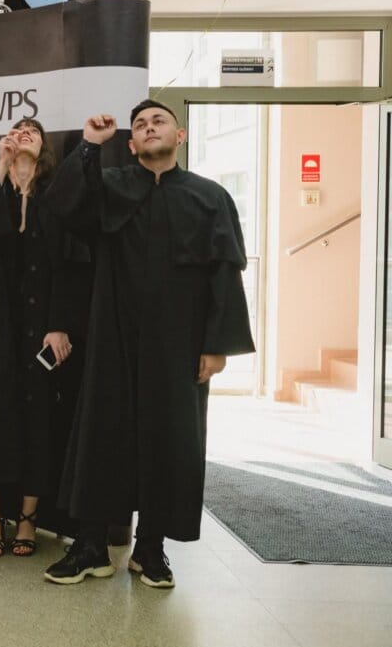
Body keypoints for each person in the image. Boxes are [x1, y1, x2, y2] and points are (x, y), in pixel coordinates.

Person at [42, 100, 254, 588]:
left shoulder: (211, 197)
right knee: (103, 434)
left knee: (170, 441)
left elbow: (225, 274)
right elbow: (64, 205)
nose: (148, 127)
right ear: (131, 143)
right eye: (139, 125)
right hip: (113, 335)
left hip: (179, 344)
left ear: (178, 136)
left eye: (158, 121)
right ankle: (92, 545)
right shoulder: (111, 186)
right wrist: (91, 147)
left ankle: (151, 549)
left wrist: (216, 345)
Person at [0, 118, 91, 558]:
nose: (24, 133)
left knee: (37, 423)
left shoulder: (56, 196)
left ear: (45, 145)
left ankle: (28, 519)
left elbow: (69, 265)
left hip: (40, 329)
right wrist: (1, 165)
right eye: (17, 130)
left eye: (33, 130)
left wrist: (60, 323)